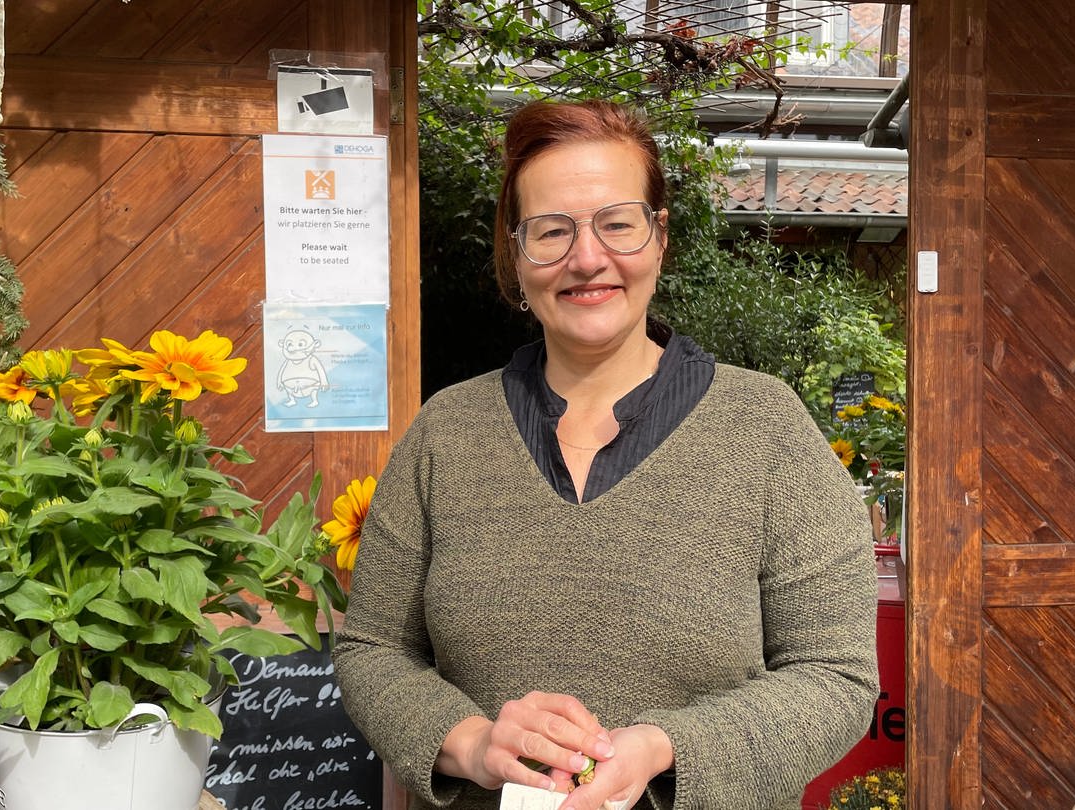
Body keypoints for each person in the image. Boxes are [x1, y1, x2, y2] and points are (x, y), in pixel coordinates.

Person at [332, 100, 877, 810]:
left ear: (659, 237)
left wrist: (664, 748)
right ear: (516, 252)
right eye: (552, 231)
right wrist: (470, 742)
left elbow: (836, 675)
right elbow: (372, 648)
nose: (587, 258)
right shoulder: (445, 433)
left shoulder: (767, 430)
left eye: (617, 224)